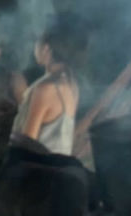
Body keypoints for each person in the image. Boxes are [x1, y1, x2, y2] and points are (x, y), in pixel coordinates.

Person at [12, 14, 88, 155]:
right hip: (59, 166)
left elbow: (27, 142)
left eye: (37, 42)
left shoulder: (46, 88)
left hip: (41, 168)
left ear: (46, 48)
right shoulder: (71, 81)